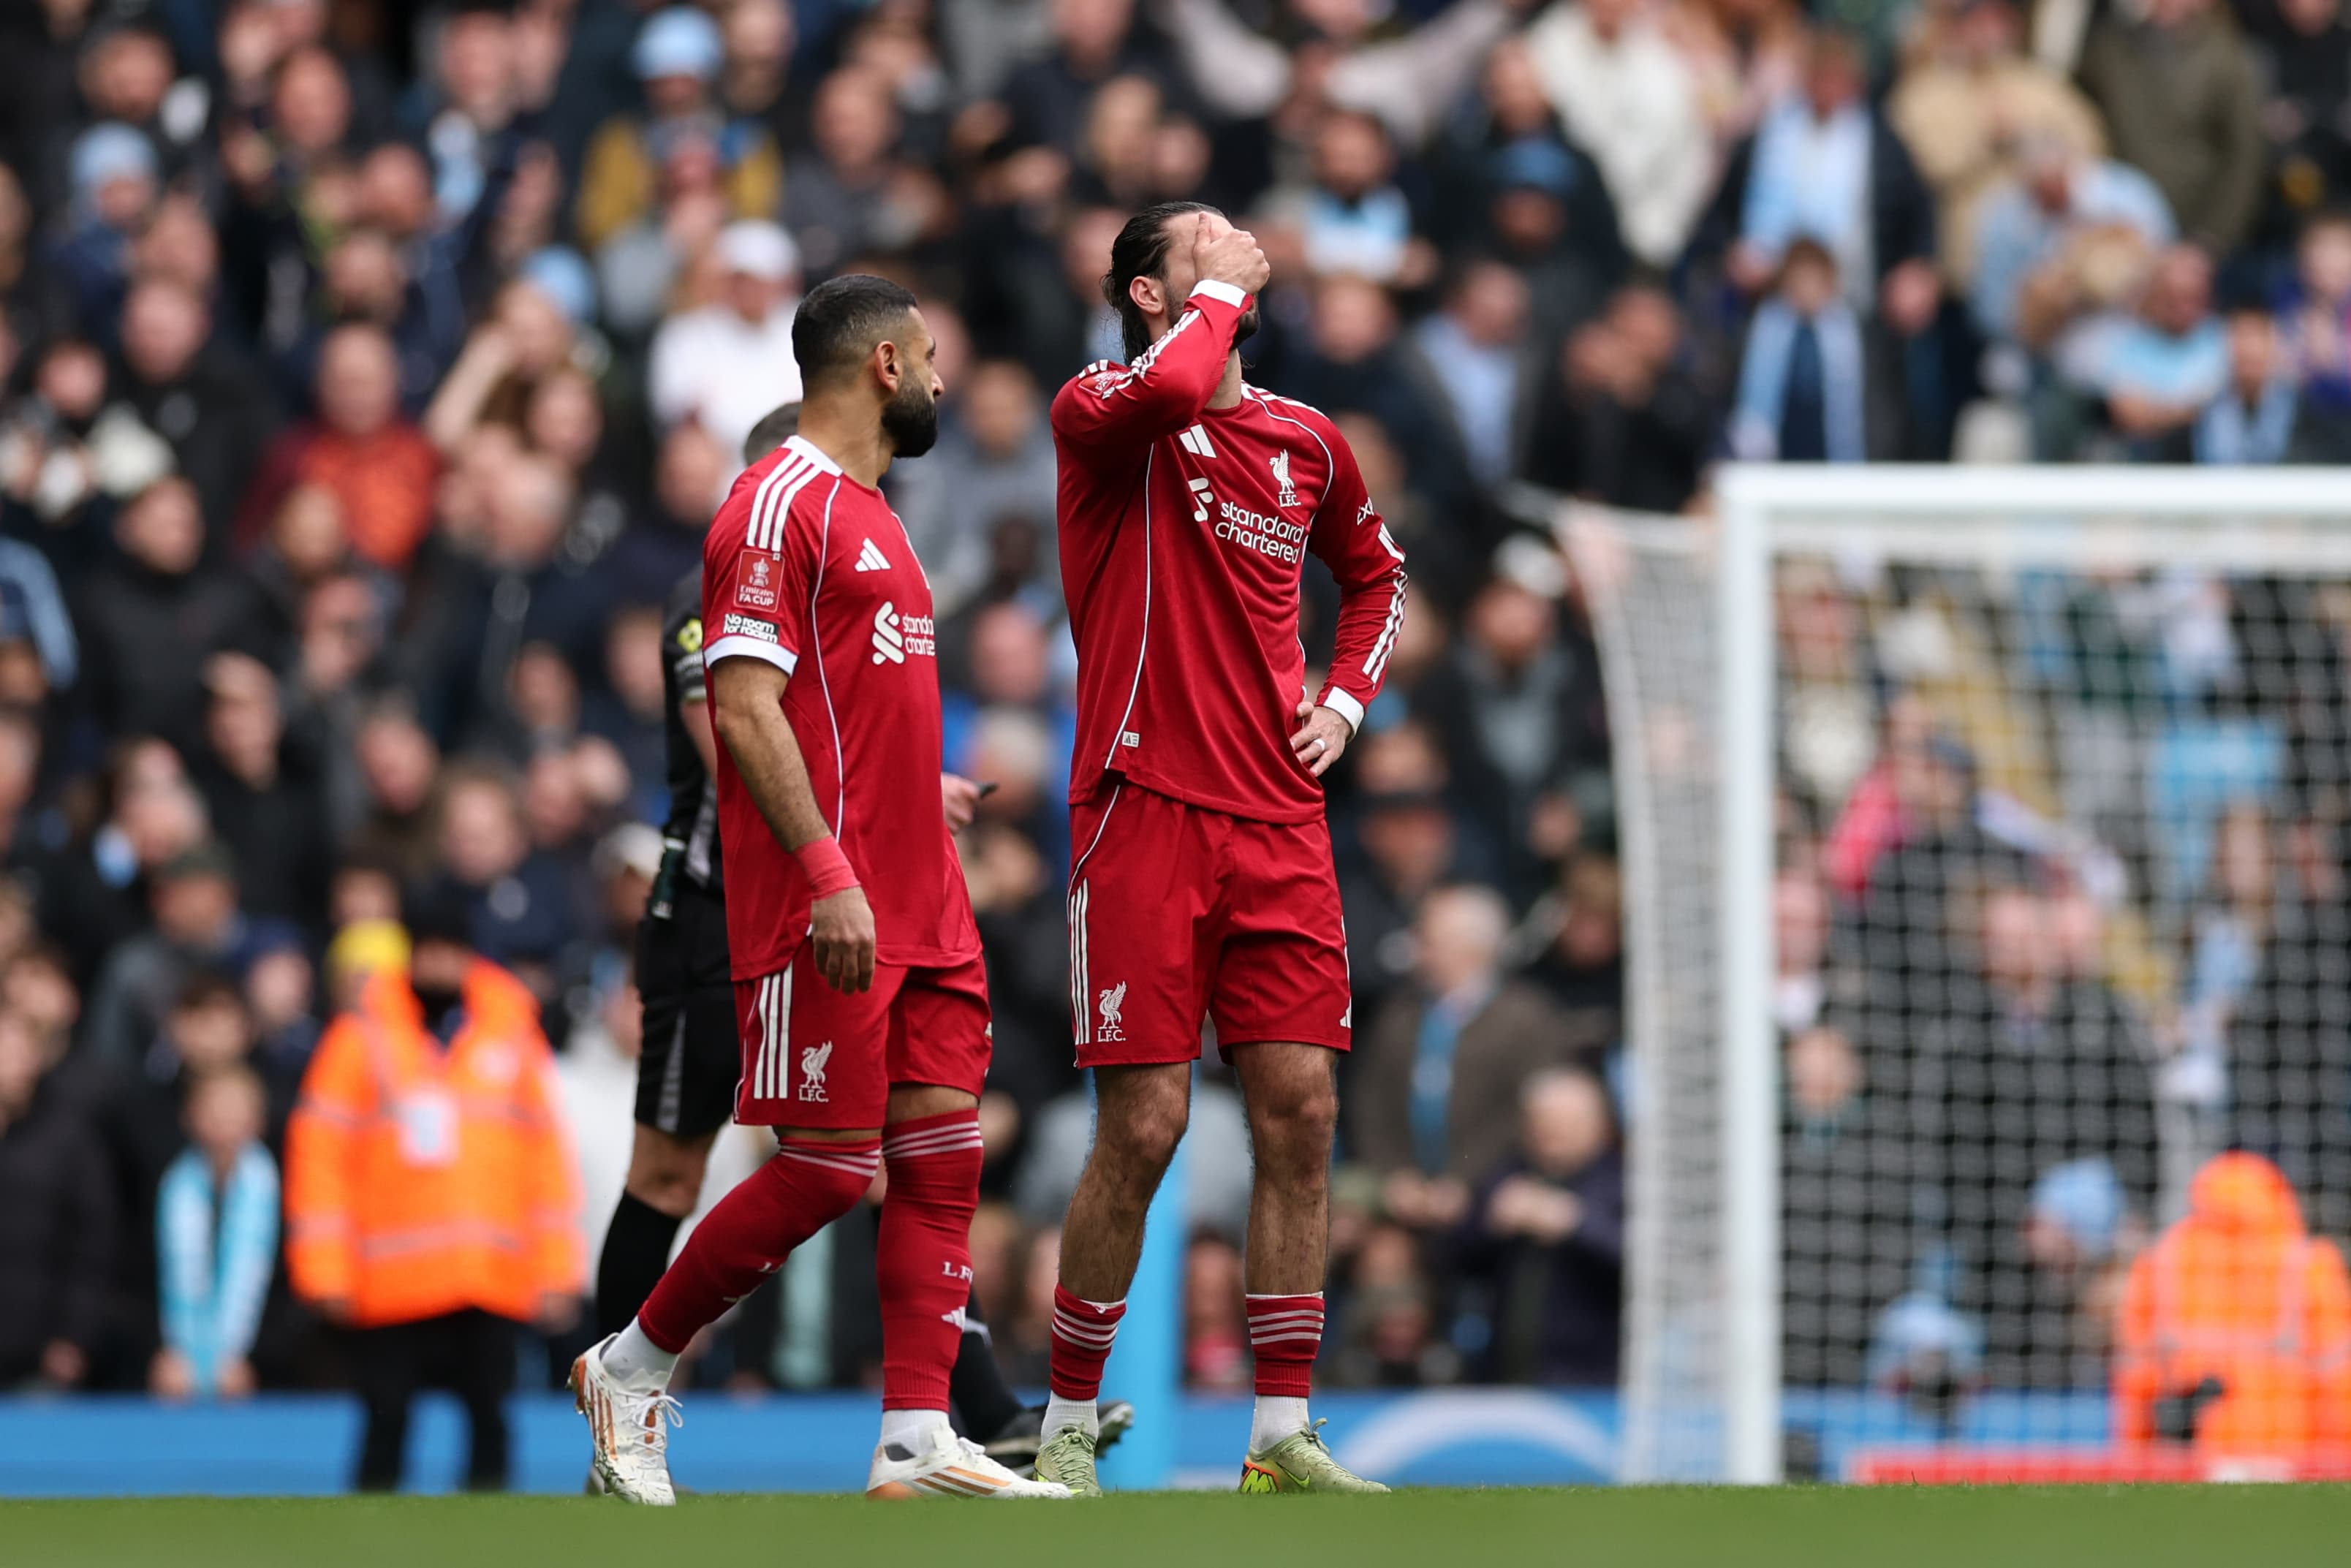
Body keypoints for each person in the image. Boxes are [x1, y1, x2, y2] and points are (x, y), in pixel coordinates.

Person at [570, 277, 1068, 1503]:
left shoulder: (879, 515)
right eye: (935, 355)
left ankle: (915, 1437)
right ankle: (630, 1368)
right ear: (885, 365)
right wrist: (831, 869)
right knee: (830, 1167)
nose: (947, 379)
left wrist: (921, 795)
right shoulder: (770, 504)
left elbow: (845, 706)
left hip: (924, 890)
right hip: (824, 901)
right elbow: (739, 709)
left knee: (942, 1151)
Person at [1035, 202, 1409, 1497]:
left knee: (1301, 1115)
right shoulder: (1103, 409)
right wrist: (1221, 300)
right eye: (1205, 241)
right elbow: (1184, 378)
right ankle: (1068, 1428)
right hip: (1141, 811)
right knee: (1143, 1126)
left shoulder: (1307, 441)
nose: (1238, 243)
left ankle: (1279, 1436)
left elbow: (1378, 575)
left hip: (1278, 821)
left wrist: (1347, 703)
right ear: (1149, 293)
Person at [284, 885, 584, 1491]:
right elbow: (320, 1161)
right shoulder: (361, 1035)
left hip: (488, 1278)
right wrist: (326, 1274)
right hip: (390, 1282)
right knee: (386, 1423)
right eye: (431, 951)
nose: (442, 965)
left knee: (490, 1423)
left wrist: (556, 1273)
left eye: (454, 951)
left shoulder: (511, 1030)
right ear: (410, 954)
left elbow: (546, 1163)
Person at [2115, 1151, 2351, 1461]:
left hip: (2187, 1466)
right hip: (2288, 1462)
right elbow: (2339, 1384)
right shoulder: (2311, 1262)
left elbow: (2136, 1378)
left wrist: (2139, 1462)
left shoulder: (2160, 1260)